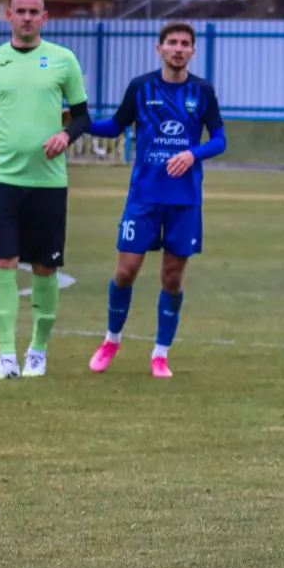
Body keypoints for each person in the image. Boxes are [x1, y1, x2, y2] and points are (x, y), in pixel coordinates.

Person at [0, 0, 91, 380]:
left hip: (49, 183)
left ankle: (37, 353)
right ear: (8, 15)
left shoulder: (63, 60)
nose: (27, 18)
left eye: (34, 11)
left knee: (44, 266)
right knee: (3, 261)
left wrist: (65, 135)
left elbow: (83, 117)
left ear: (45, 18)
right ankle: (7, 357)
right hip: (1, 180)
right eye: (21, 11)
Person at [85, 21, 226, 378]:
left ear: (193, 51)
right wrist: (77, 124)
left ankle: (160, 354)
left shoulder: (202, 91)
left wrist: (193, 154)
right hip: (144, 197)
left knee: (172, 278)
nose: (178, 49)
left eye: (185, 43)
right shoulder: (141, 87)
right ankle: (111, 340)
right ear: (159, 48)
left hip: (184, 200)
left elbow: (219, 139)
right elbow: (115, 126)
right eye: (172, 42)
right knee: (126, 271)